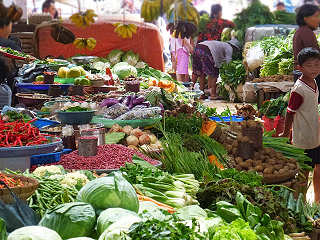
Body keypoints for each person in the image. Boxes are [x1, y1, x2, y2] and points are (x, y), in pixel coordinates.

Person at [281, 48, 320, 202]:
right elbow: (290, 112)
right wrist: (285, 133)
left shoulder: (314, 81)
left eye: (317, 65)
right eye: (310, 66)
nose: (314, 69)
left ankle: (317, 201)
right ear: (300, 68)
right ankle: (301, 202)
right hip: (303, 138)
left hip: (315, 134)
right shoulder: (299, 89)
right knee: (303, 172)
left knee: (318, 168)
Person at [293, 4, 320, 99]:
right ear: (306, 18)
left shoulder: (302, 31)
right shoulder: (306, 32)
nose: (318, 19)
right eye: (316, 16)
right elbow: (314, 55)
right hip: (308, 73)